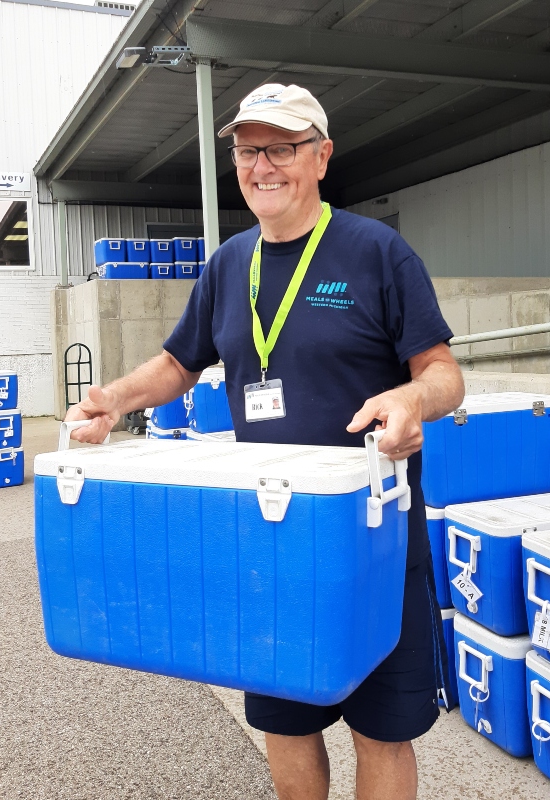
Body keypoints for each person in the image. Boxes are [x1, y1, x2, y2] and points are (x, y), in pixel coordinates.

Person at [66, 83, 465, 800]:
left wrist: (410, 399)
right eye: (248, 151)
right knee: (286, 722)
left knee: (381, 728)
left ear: (321, 156)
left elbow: (442, 374)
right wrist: (110, 402)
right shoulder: (228, 265)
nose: (262, 166)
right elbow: (178, 364)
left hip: (372, 532)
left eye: (280, 147)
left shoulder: (377, 252)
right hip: (272, 530)